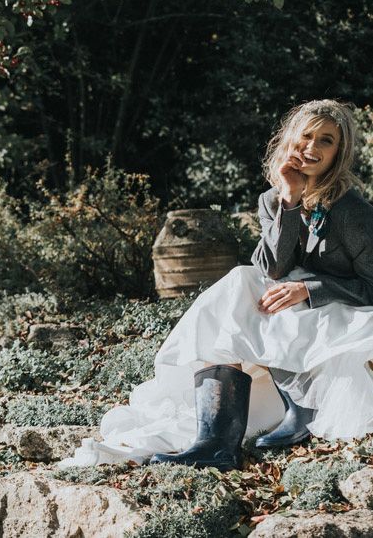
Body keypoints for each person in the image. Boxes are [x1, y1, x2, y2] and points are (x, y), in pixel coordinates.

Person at [59, 99, 373, 471]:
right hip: (289, 314)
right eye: (305, 136)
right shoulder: (273, 199)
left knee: (242, 284)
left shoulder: (353, 211)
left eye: (326, 140)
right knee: (242, 281)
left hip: (341, 313)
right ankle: (216, 443)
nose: (312, 147)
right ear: (289, 140)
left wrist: (311, 290)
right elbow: (272, 269)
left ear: (339, 152)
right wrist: (289, 200)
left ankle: (269, 418)